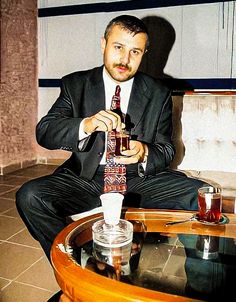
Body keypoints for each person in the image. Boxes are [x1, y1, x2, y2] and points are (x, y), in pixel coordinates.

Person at [16, 15, 209, 262]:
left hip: (137, 179)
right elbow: (45, 131)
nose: (125, 60)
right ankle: (77, 264)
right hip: (85, 178)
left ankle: (201, 284)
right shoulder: (76, 85)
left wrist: (144, 152)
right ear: (103, 44)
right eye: (118, 47)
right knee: (30, 196)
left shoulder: (159, 93)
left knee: (198, 194)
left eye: (135, 52)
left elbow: (166, 149)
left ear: (144, 54)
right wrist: (86, 124)